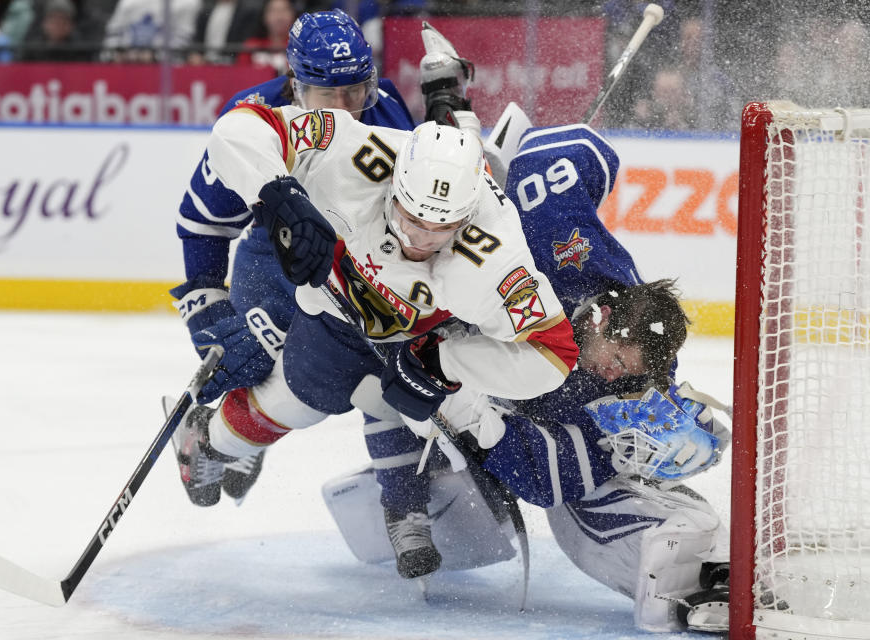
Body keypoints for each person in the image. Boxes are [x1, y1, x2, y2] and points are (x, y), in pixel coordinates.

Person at [325, 117, 731, 632]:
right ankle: (403, 502)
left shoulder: (634, 380)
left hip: (505, 420)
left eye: (630, 374)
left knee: (585, 505)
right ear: (604, 318)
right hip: (435, 327)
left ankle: (698, 566)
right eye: (617, 361)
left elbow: (546, 478)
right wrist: (500, 162)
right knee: (388, 385)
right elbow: (576, 145)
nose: (613, 377)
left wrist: (482, 423)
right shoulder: (571, 251)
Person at [168, 101, 580, 572]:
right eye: (410, 216)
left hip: (423, 340)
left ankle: (407, 508)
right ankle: (209, 438)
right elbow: (240, 127)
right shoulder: (359, 152)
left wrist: (445, 362)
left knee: (410, 408)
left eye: (440, 227)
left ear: (467, 217)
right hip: (330, 320)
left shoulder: (497, 256)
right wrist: (278, 194)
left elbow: (552, 355)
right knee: (294, 405)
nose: (419, 239)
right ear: (394, 185)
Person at [168, 8, 417, 504]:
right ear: (295, 84)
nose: (347, 110)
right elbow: (203, 222)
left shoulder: (388, 110)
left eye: (357, 91)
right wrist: (207, 307)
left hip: (358, 262)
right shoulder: (254, 118)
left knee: (387, 356)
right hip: (274, 256)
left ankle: (405, 502)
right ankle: (218, 427)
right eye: (330, 95)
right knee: (256, 361)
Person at [235, 0, 297, 76]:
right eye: (273, 11)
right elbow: (241, 76)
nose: (279, 17)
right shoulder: (251, 46)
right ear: (264, 16)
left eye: (284, 10)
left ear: (293, 15)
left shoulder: (300, 48)